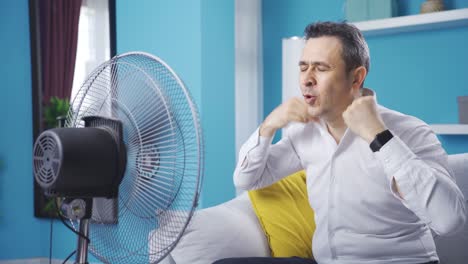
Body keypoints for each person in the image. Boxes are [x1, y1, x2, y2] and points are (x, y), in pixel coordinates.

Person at [214, 22, 466, 264]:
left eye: (321, 68)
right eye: (303, 67)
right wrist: (268, 126)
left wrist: (378, 135)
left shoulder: (410, 130)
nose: (307, 79)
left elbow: (450, 220)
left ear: (356, 78)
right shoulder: (305, 133)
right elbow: (247, 179)